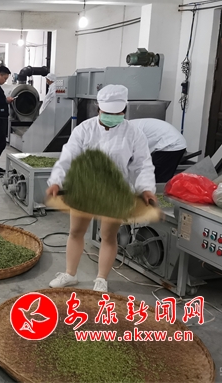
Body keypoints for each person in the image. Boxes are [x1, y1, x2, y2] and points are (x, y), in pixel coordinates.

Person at [46, 85, 157, 292]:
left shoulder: (133, 133)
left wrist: (145, 188)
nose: (112, 117)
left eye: (117, 113)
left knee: (108, 236)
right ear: (99, 108)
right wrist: (56, 181)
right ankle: (70, 274)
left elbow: (142, 164)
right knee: (76, 231)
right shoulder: (84, 130)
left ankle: (101, 279)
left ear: (124, 110)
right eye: (107, 113)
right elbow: (68, 157)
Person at [130, 118, 187, 183]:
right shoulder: (131, 126)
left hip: (171, 145)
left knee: (157, 177)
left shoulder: (129, 129)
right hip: (171, 143)